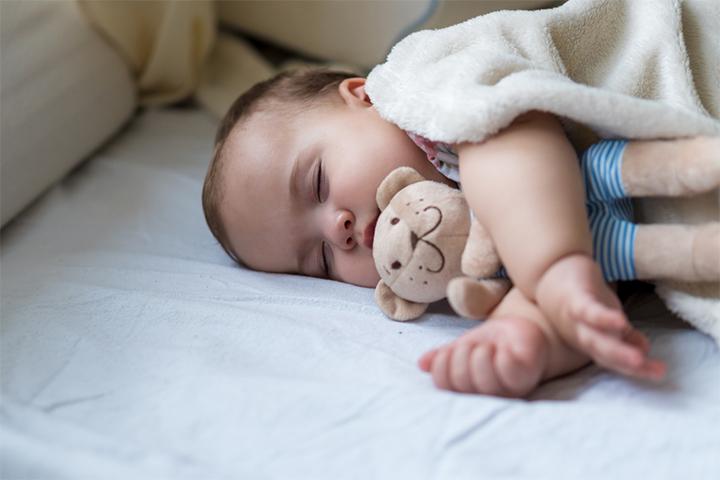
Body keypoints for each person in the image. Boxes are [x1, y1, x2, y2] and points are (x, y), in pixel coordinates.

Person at [202, 68, 698, 397]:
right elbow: (588, 291)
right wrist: (528, 333)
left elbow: (518, 160)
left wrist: (552, 268)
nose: (339, 231)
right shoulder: (463, 251)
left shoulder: (440, 91)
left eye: (317, 183)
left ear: (364, 95)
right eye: (320, 261)